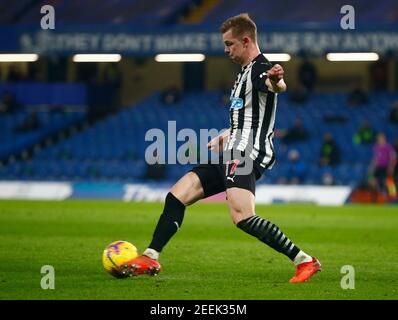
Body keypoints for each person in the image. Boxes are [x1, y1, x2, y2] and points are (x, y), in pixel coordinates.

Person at [120, 13, 321, 283]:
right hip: (232, 149)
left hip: (246, 153)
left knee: (242, 216)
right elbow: (247, 116)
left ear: (246, 41)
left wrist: (277, 79)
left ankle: (305, 260)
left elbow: (277, 86)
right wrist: (225, 134)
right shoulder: (243, 74)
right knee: (178, 194)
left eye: (229, 44)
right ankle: (151, 257)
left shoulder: (261, 68)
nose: (225, 50)